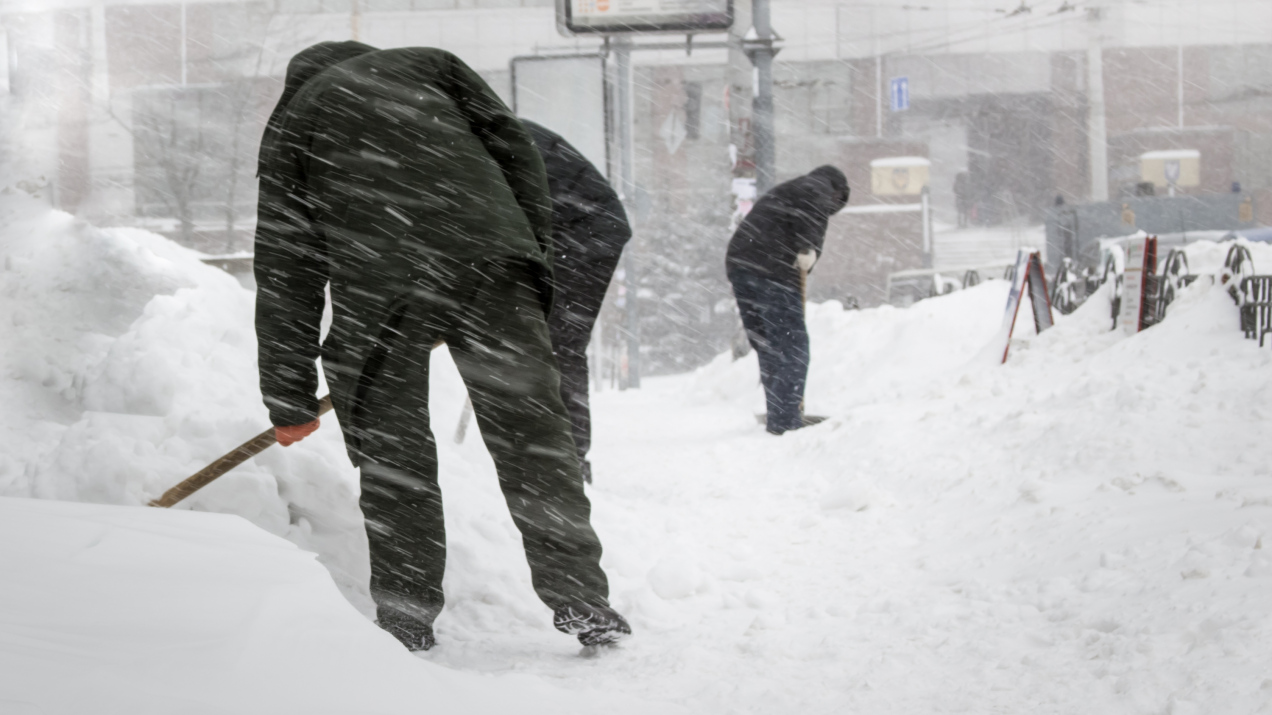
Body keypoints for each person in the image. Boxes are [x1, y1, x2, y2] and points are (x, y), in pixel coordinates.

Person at [254, 44, 630, 652]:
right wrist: (524, 254)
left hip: (382, 284)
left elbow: (285, 272)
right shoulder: (432, 67)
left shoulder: (295, 123)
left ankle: (406, 618)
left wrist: (288, 399)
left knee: (393, 454)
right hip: (494, 258)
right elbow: (519, 154)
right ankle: (583, 597)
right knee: (534, 438)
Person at [520, 120, 632, 485]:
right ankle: (562, 460)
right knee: (553, 344)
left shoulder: (481, 140)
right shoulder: (484, 129)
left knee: (558, 345)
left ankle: (569, 464)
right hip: (577, 230)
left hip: (585, 234)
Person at [725, 165, 849, 435]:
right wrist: (809, 246)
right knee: (792, 345)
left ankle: (779, 413)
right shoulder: (816, 188)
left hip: (741, 264)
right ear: (837, 192)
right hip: (772, 269)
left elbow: (800, 214)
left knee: (769, 345)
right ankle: (785, 421)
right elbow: (811, 207)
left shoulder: (789, 190)